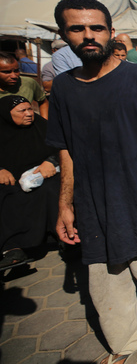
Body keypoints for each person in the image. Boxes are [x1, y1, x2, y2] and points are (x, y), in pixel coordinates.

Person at [46, 0, 137, 364]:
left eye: (97, 28)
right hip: (93, 206)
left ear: (111, 32)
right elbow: (65, 150)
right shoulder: (62, 88)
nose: (88, 35)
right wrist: (65, 205)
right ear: (64, 35)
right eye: (77, 29)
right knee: (107, 288)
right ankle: (125, 342)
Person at [0, 95, 60, 270]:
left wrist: (51, 161)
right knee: (4, 194)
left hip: (40, 175)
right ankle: (13, 248)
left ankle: (65, 238)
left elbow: (62, 146)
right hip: (11, 180)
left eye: (29, 109)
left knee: (53, 187)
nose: (28, 114)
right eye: (22, 111)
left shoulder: (41, 126)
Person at [0, 52, 49, 119]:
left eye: (16, 71)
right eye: (7, 72)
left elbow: (43, 101)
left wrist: (44, 122)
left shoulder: (29, 83)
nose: (14, 76)